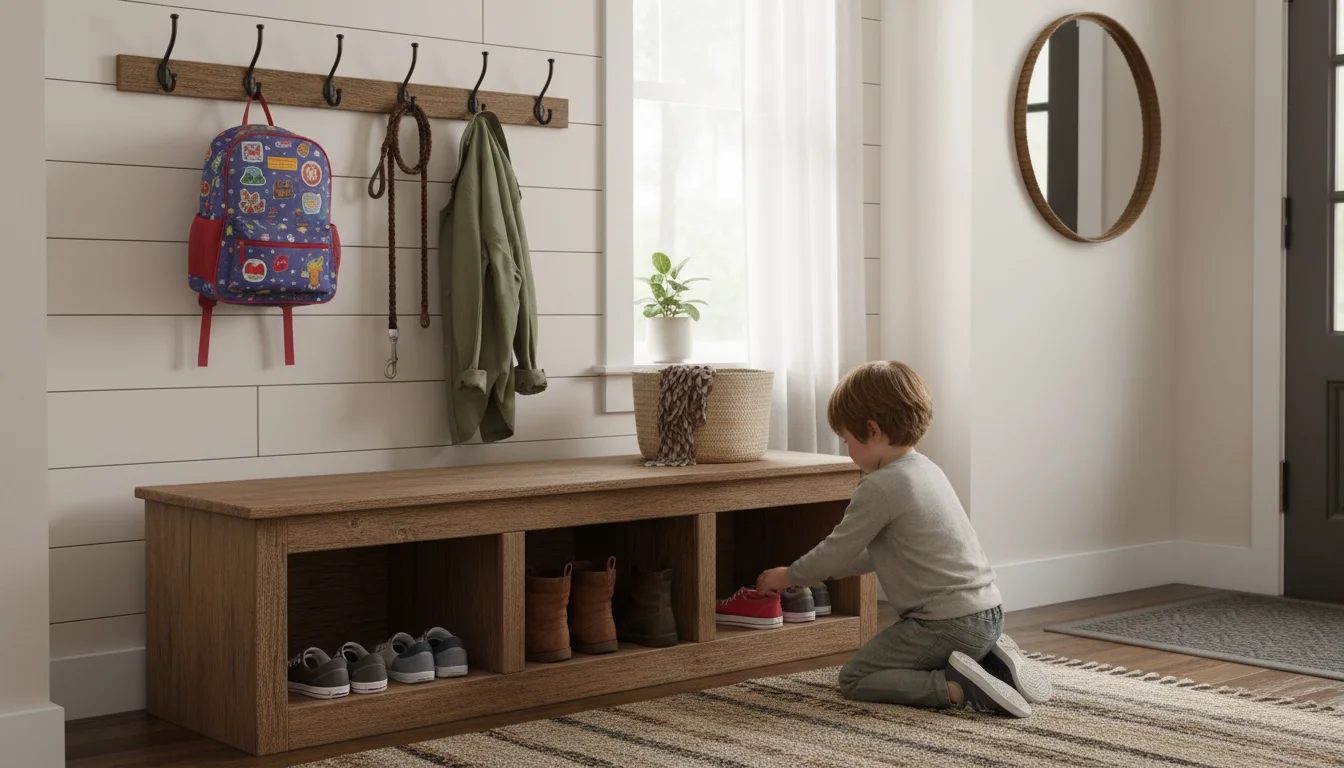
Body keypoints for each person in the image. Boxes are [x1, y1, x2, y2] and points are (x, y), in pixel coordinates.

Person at [756, 361, 1052, 716]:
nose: (847, 451)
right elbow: (882, 552)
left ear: (872, 430)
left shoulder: (880, 485)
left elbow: (836, 549)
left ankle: (959, 687)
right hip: (989, 613)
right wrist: (827, 572)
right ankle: (990, 659)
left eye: (846, 439)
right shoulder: (927, 470)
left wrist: (787, 575)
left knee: (856, 676)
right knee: (932, 649)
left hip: (946, 625)